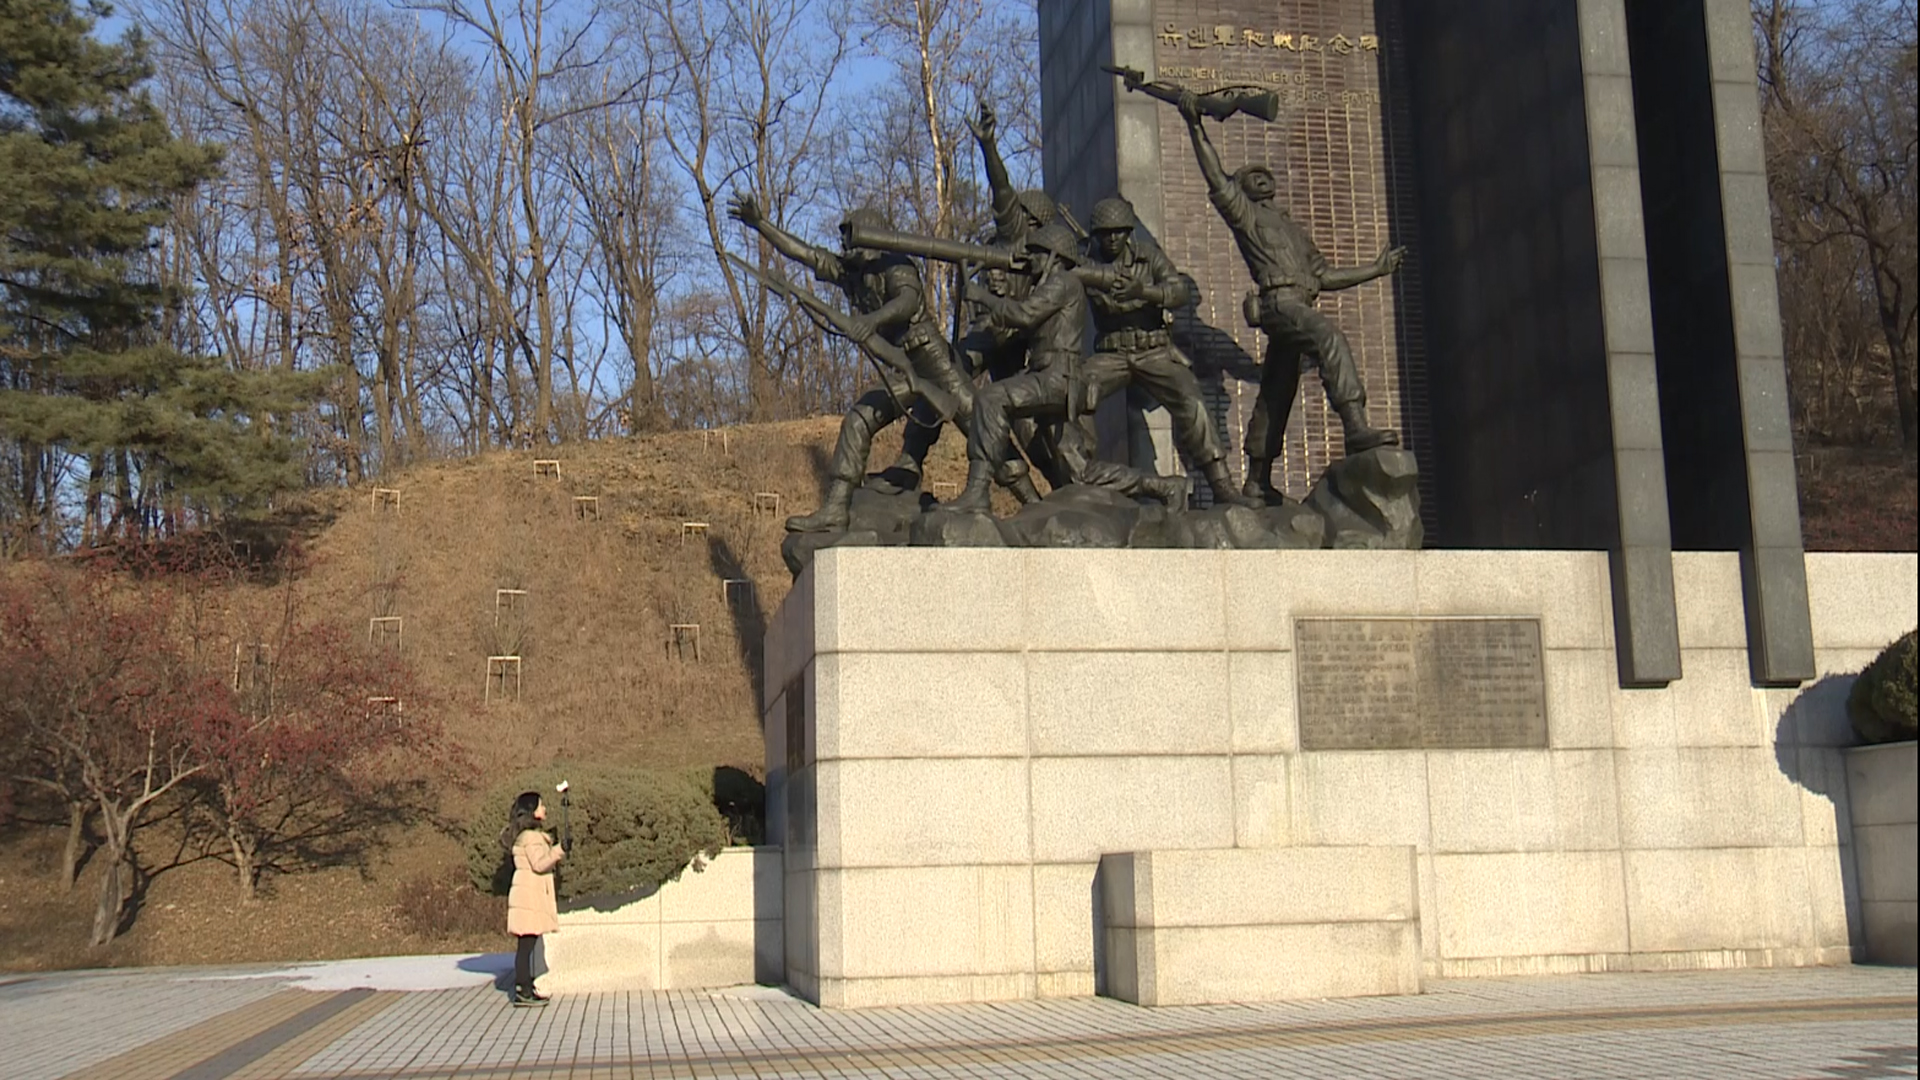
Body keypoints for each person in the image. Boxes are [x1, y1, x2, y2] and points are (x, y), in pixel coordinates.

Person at [1177, 91, 1405, 506]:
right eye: (1253, 175)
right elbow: (1214, 176)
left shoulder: (1293, 231)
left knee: (1276, 392)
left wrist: (1375, 269)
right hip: (1280, 304)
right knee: (1330, 338)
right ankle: (1355, 425)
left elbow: (1323, 275)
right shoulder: (1247, 217)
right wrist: (1195, 124)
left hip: (1300, 302)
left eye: (1266, 175)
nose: (1262, 178)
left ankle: (1257, 479)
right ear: (1242, 188)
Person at [727, 195, 974, 531]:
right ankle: (836, 507)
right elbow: (804, 254)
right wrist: (761, 224)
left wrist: (871, 321)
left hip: (931, 357)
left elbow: (907, 301)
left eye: (850, 235)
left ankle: (1011, 495)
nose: (843, 243)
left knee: (976, 423)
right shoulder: (849, 273)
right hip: (903, 365)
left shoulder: (896, 264)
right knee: (858, 419)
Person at [1079, 196, 1255, 508]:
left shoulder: (1148, 257)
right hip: (1111, 353)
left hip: (1153, 350)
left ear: (1128, 232)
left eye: (1118, 232)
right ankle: (1082, 473)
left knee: (1192, 399)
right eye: (1105, 233)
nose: (1112, 238)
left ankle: (1221, 484)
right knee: (1076, 391)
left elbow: (1178, 291)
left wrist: (1144, 291)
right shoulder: (1086, 262)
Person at [501, 790, 565, 1006]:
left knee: (526, 944)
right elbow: (539, 864)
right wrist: (559, 850)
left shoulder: (526, 836)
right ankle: (523, 990)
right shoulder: (531, 837)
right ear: (531, 811)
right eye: (540, 805)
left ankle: (525, 987)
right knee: (526, 944)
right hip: (529, 896)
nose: (544, 809)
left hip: (526, 893)